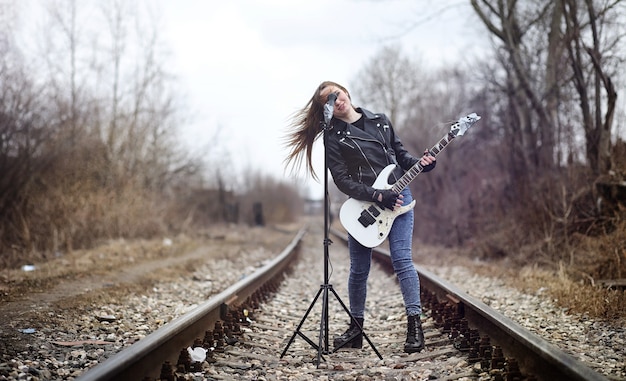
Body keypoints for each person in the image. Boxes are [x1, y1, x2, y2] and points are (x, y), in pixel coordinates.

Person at [284, 81, 436, 353]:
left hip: (400, 200)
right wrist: (377, 195)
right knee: (359, 270)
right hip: (365, 207)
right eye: (327, 101)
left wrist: (422, 164)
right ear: (325, 109)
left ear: (346, 92)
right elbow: (341, 181)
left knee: (402, 260)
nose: (335, 101)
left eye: (336, 94)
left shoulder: (380, 121)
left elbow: (401, 157)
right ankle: (356, 329)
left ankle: (415, 325)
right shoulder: (333, 137)